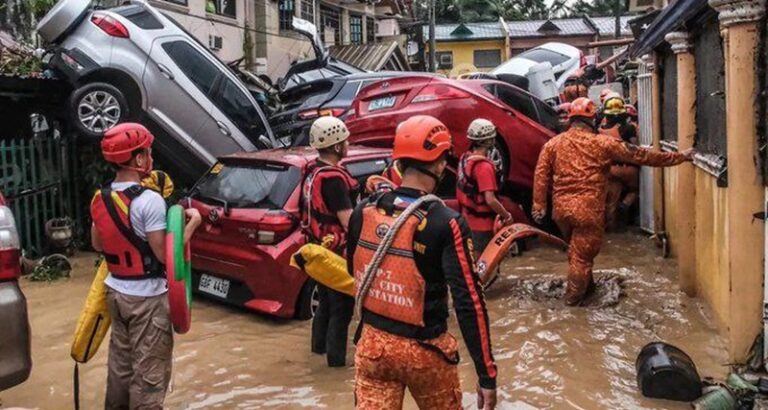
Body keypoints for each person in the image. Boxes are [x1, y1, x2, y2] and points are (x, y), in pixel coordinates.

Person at [349, 115, 497, 410]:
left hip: (373, 347)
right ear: (440, 164)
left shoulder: (363, 211)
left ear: (399, 162)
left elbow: (351, 271)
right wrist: (487, 375)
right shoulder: (446, 222)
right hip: (425, 352)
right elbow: (469, 302)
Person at [532, 98, 693, 306]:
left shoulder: (552, 144)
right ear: (592, 120)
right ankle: (572, 308)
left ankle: (587, 290)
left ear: (571, 120)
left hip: (561, 211)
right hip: (588, 210)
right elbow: (642, 155)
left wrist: (539, 205)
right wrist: (680, 157)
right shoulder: (602, 143)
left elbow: (541, 174)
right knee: (582, 258)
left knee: (576, 253)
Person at [90, 123, 201, 409]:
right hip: (147, 299)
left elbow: (98, 245)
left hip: (115, 293)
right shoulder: (150, 201)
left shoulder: (101, 198)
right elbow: (166, 256)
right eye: (148, 152)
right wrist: (192, 225)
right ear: (138, 159)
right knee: (149, 375)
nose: (151, 158)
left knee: (120, 368)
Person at [303, 116, 360, 367]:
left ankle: (318, 352)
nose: (348, 144)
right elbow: (348, 221)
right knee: (342, 308)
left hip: (319, 248)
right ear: (337, 146)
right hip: (336, 251)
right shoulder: (334, 180)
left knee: (325, 303)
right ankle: (336, 366)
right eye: (345, 141)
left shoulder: (313, 171)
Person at [457, 119, 513, 256]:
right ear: (489, 141)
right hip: (481, 227)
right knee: (484, 262)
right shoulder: (484, 167)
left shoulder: (465, 159)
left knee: (472, 262)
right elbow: (490, 200)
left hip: (465, 221)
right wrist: (506, 216)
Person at [600, 96, 641, 229]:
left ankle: (612, 228)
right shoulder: (629, 128)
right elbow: (635, 148)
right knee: (635, 191)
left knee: (612, 200)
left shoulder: (600, 130)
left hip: (611, 169)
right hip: (629, 169)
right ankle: (625, 204)